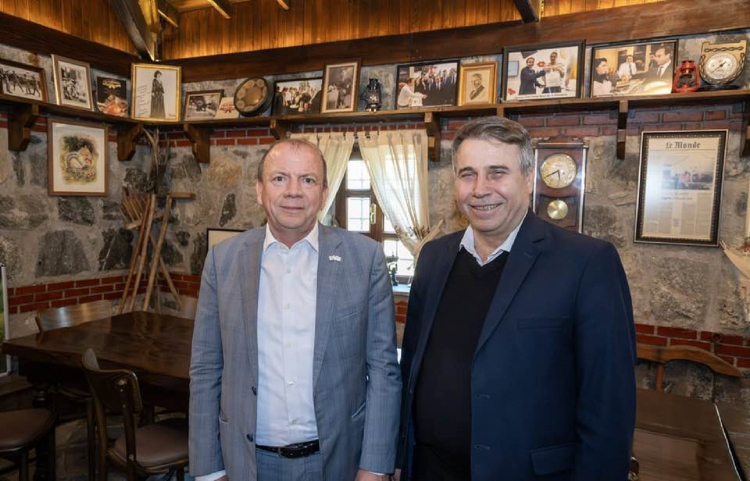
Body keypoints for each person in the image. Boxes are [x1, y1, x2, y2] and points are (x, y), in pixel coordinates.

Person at [395, 117, 636, 481]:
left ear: (527, 178)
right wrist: (399, 456)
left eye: (497, 173)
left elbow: (609, 407)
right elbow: (411, 368)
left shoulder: (586, 263)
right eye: (468, 174)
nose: (480, 189)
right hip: (429, 471)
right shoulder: (433, 256)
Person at [189, 138, 401, 481]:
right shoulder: (222, 260)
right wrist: (209, 470)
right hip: (247, 463)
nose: (293, 191)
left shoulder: (365, 260)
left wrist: (375, 466)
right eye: (279, 178)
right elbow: (205, 368)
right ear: (259, 190)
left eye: (308, 180)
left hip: (337, 461)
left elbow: (383, 371)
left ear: (324, 192)